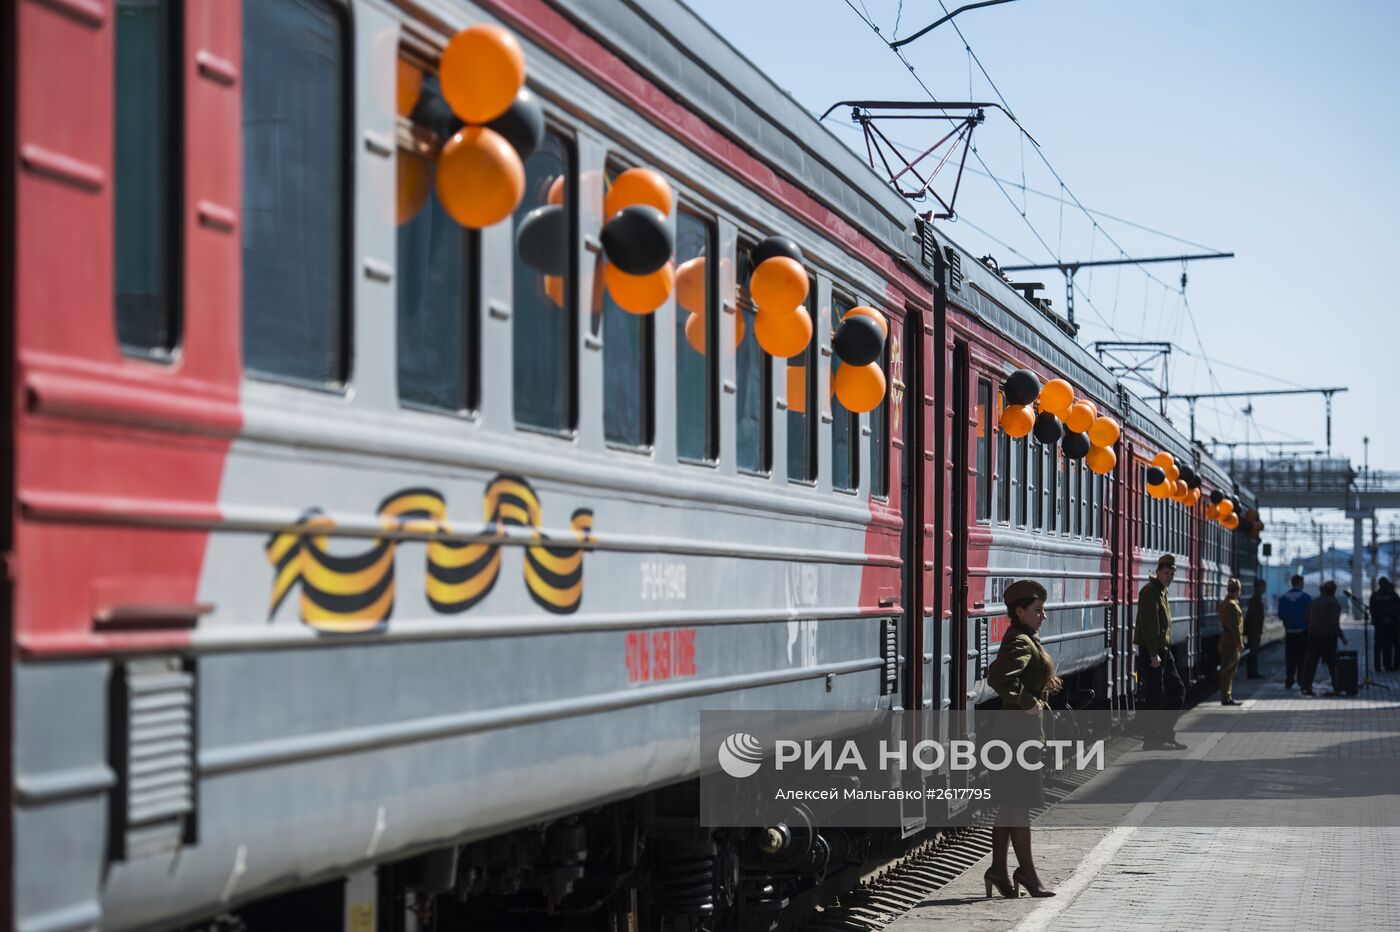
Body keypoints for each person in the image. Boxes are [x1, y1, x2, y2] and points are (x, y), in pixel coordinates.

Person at [984, 579, 1061, 899]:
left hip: (1015, 737)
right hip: (1018, 738)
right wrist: (1027, 702)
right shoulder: (1020, 640)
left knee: (1010, 807)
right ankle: (1026, 874)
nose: (1043, 616)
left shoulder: (1026, 637)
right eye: (1038, 610)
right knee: (1020, 808)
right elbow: (999, 677)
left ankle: (999, 870)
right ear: (1020, 611)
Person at [1134, 554, 1186, 750]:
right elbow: (1149, 624)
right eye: (1166, 573)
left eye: (1172, 574)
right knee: (1156, 695)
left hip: (1163, 649)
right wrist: (1153, 653)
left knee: (1177, 689)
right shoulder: (1150, 592)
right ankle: (1151, 739)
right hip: (1153, 650)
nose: (1169, 577)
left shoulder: (1161, 591)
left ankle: (1164, 734)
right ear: (1158, 571)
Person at [1300, 580, 1346, 696]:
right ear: (1334, 591)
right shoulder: (1333, 603)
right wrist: (1342, 637)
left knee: (1310, 662)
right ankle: (1337, 688)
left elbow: (1306, 618)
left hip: (1313, 636)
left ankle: (1306, 687)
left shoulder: (1314, 602)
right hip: (1328, 637)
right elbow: (1333, 622)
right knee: (1333, 663)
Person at [1277, 575, 1312, 688]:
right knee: (1302, 657)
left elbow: (1281, 615)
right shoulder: (1306, 598)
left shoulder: (1283, 598)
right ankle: (1301, 680)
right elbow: (1310, 615)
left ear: (1292, 583)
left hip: (1289, 632)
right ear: (1300, 583)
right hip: (1303, 632)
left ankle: (1289, 680)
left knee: (1290, 658)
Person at [1218, 578, 1244, 705]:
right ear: (1237, 590)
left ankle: (1227, 696)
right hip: (1231, 640)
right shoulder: (1232, 605)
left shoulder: (1226, 603)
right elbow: (1235, 627)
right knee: (1228, 669)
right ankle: (1226, 697)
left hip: (1227, 638)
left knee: (1227, 669)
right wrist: (1239, 642)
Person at [1369, 577, 1400, 673]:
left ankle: (1377, 666)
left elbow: (1371, 609)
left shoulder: (1375, 595)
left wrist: (1376, 620)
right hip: (1392, 624)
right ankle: (1391, 666)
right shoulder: (1392, 594)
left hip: (1379, 624)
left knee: (1379, 646)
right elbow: (1398, 607)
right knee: (1391, 645)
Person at [1244, 578, 1266, 679]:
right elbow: (1251, 615)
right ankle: (1252, 673)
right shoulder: (1255, 600)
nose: (1264, 588)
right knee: (1253, 651)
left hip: (1255, 629)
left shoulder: (1257, 599)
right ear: (1258, 587)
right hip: (1254, 630)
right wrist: (1248, 629)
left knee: (1254, 651)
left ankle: (1253, 672)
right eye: (1263, 586)